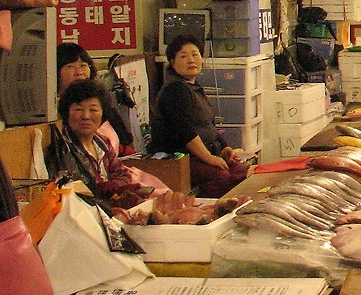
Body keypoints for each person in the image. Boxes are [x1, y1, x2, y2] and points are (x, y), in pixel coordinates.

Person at [149, 34, 249, 196]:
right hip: (181, 158)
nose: (191, 60)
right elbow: (185, 131)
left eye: (195, 54)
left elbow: (208, 125)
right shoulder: (175, 90)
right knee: (220, 176)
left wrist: (225, 149)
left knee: (239, 171)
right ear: (172, 62)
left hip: (203, 154)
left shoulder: (193, 87)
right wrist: (210, 158)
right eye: (183, 56)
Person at [46, 79, 152, 209]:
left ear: (103, 113)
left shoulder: (102, 143)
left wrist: (113, 187)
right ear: (67, 113)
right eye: (78, 109)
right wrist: (113, 188)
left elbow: (121, 172)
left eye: (93, 110)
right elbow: (80, 191)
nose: (86, 116)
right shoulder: (62, 149)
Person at [56, 43, 134, 157]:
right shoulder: (50, 110)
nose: (79, 72)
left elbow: (125, 142)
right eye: (70, 66)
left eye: (83, 65)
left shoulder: (101, 100)